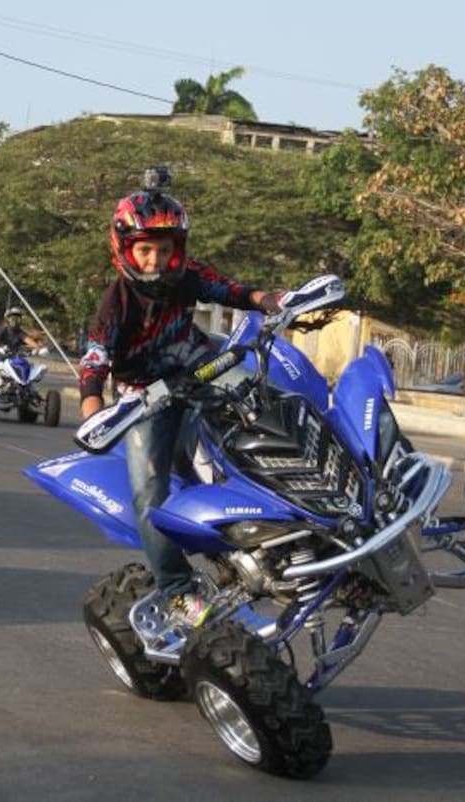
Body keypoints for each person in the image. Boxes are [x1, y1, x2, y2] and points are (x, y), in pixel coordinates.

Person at [78, 167, 281, 628]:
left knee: (268, 411)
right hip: (146, 398)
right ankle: (177, 591)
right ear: (124, 249)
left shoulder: (188, 276)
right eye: (145, 249)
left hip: (202, 369)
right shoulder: (116, 303)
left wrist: (269, 299)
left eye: (165, 249)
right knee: (150, 494)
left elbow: (229, 290)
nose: (155, 260)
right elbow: (94, 359)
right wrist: (93, 411)